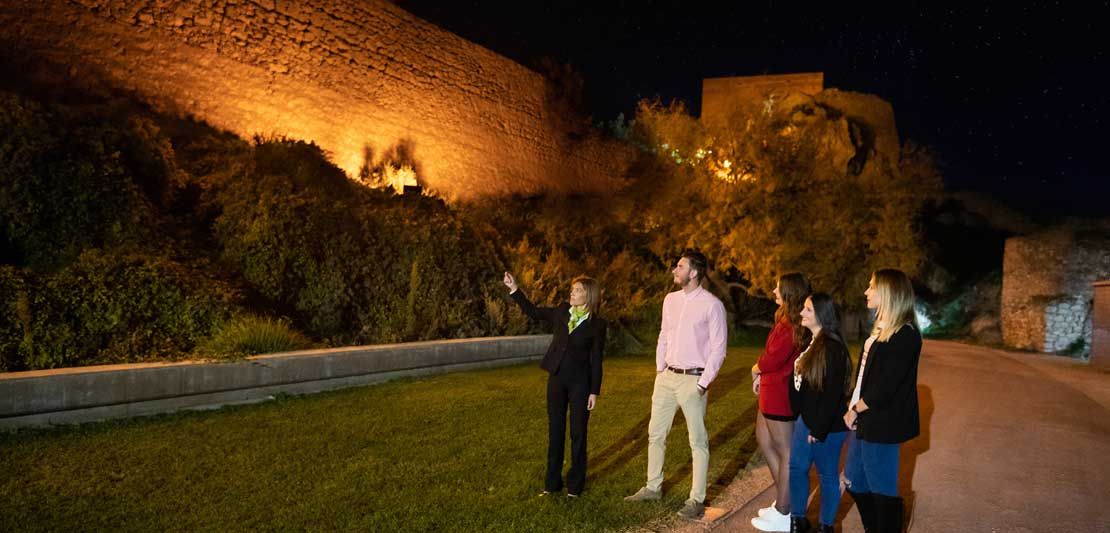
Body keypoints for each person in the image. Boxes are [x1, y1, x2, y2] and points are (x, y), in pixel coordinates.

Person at [624, 250, 727, 520]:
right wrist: (660, 369)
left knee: (698, 442)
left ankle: (696, 499)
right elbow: (664, 335)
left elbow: (718, 349)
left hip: (694, 380)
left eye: (679, 266)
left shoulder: (712, 305)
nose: (674, 270)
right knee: (655, 435)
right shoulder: (670, 300)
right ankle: (652, 487)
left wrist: (703, 384)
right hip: (666, 378)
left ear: (694, 272)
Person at [503, 272, 607, 498]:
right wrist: (514, 289)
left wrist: (594, 391)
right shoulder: (562, 311)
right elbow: (533, 312)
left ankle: (575, 487)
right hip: (557, 379)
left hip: (581, 384)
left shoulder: (597, 324)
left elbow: (596, 360)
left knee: (578, 434)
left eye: (578, 290)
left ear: (589, 295)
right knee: (555, 432)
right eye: (573, 289)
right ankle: (551, 484)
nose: (573, 292)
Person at [842, 269, 922, 533]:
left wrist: (856, 409)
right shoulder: (881, 330)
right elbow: (866, 374)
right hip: (865, 417)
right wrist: (852, 403)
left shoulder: (905, 335)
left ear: (888, 293)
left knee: (882, 488)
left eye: (872, 287)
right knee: (854, 479)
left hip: (883, 422)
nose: (866, 291)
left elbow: (884, 387)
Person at [786, 293, 852, 533]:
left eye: (808, 309)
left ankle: (826, 526)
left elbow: (832, 393)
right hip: (806, 419)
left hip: (826, 425)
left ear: (823, 315)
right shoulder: (810, 343)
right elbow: (802, 384)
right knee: (797, 468)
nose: (802, 313)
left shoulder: (834, 348)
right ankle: (797, 520)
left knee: (827, 475)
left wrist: (819, 428)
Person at [751, 272, 811, 532]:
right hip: (769, 387)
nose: (773, 291)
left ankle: (786, 511)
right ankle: (782, 501)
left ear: (789, 292)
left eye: (777, 288)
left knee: (785, 449)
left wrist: (756, 367)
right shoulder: (784, 319)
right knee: (764, 440)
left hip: (779, 392)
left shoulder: (792, 325)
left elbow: (774, 359)